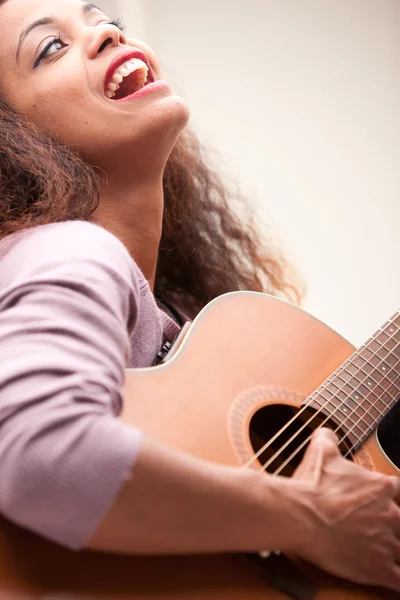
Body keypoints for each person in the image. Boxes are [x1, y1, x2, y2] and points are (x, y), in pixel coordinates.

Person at [0, 0, 399, 592]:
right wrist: (308, 518)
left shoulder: (184, 326)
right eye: (50, 47)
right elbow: (39, 455)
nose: (105, 33)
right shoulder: (72, 252)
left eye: (104, 19)